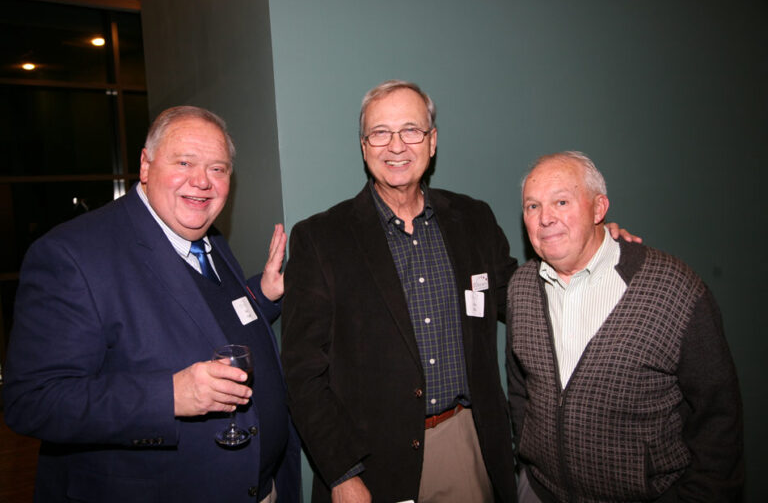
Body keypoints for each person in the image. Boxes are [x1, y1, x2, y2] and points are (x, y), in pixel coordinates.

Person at [281, 81, 634, 503]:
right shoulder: (321, 238)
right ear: (364, 145)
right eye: (380, 132)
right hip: (370, 461)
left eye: (411, 130)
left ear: (432, 142)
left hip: (466, 443)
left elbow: (523, 296)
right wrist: (341, 473)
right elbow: (302, 374)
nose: (396, 145)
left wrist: (592, 249)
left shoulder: (473, 220)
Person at [3, 106, 300, 503]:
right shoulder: (72, 255)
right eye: (184, 162)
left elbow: (200, 320)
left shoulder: (208, 239)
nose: (202, 182)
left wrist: (262, 294)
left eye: (218, 169)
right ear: (145, 165)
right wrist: (169, 396)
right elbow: (33, 401)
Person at [506, 151, 744, 502]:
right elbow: (519, 388)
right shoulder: (521, 287)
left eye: (561, 201)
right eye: (532, 206)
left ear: (599, 209)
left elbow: (718, 418)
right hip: (540, 492)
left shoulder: (673, 288)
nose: (545, 219)